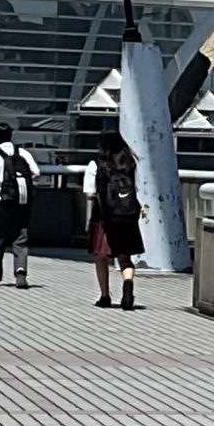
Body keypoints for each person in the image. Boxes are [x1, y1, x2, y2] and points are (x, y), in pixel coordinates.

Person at [81, 130, 145, 310]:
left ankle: (105, 295)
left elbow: (89, 193)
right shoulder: (130, 163)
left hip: (103, 217)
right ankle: (128, 283)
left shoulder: (96, 164)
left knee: (101, 257)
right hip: (127, 216)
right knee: (125, 258)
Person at [0, 123, 40, 290]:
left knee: (0, 235)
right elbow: (36, 174)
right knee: (21, 237)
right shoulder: (23, 153)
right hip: (22, 201)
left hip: (1, 201)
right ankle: (20, 271)